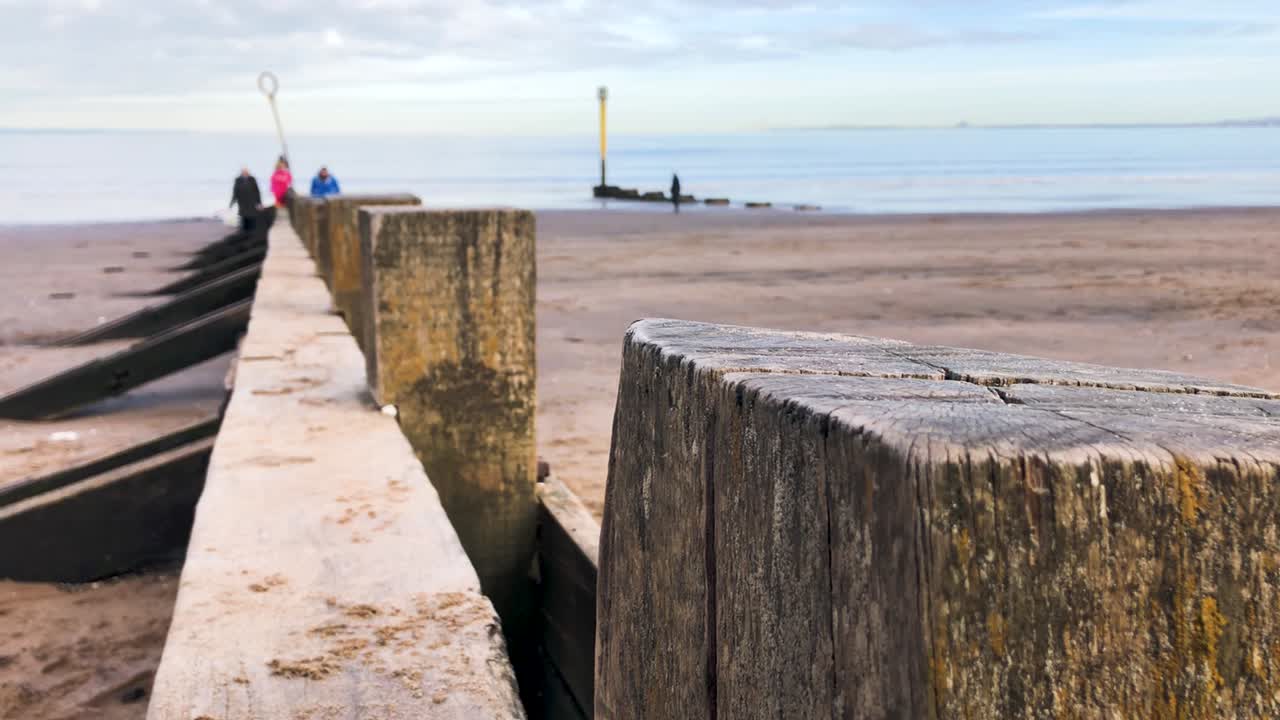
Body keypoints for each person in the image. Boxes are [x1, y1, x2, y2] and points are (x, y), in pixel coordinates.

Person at [229, 167, 262, 232]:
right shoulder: (238, 180)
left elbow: (257, 191)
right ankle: (244, 231)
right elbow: (235, 191)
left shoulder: (252, 179)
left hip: (252, 201)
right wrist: (232, 202)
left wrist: (259, 203)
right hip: (242, 202)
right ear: (241, 173)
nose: (245, 173)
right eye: (244, 172)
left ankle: (252, 231)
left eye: (246, 172)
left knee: (252, 217)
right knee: (243, 217)